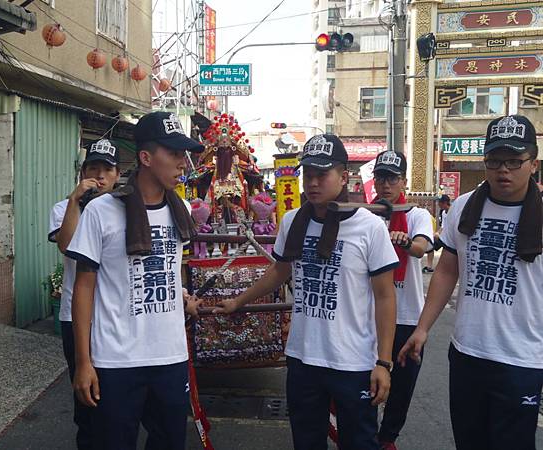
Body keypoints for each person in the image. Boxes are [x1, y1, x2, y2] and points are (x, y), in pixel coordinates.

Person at [214, 134, 399, 450]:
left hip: (353, 363)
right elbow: (279, 271)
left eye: (322, 174)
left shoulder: (370, 227)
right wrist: (239, 301)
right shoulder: (293, 221)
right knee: (307, 441)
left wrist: (383, 363)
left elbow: (384, 297)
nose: (312, 182)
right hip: (303, 358)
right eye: (308, 174)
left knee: (359, 442)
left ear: (343, 177)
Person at [399, 115, 543, 450]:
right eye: (494, 160)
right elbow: (448, 270)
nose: (502, 170)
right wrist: (422, 329)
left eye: (513, 160)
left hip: (522, 359)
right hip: (467, 352)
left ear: (532, 163)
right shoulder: (465, 207)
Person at [66, 112, 204, 450]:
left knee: (170, 442)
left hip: (170, 357)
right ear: (145, 157)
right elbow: (84, 288)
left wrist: (182, 298)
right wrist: (84, 363)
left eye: (183, 155)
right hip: (117, 360)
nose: (182, 164)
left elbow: (170, 271)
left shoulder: (180, 208)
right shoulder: (102, 211)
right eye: (173, 154)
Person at [48, 139, 121, 450]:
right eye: (93, 169)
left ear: (118, 175)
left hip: (113, 314)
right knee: (85, 390)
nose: (100, 176)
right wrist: (77, 202)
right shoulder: (63, 208)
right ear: (82, 173)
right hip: (75, 316)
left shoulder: (122, 209)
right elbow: (67, 246)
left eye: (107, 170)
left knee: (116, 391)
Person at [371, 151, 433, 450]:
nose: (386, 185)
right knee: (365, 382)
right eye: (381, 177)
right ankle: (363, 434)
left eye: (392, 178)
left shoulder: (416, 214)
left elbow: (422, 247)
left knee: (402, 387)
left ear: (403, 181)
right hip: (370, 317)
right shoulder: (364, 216)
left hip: (407, 318)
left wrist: (407, 242)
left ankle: (387, 439)